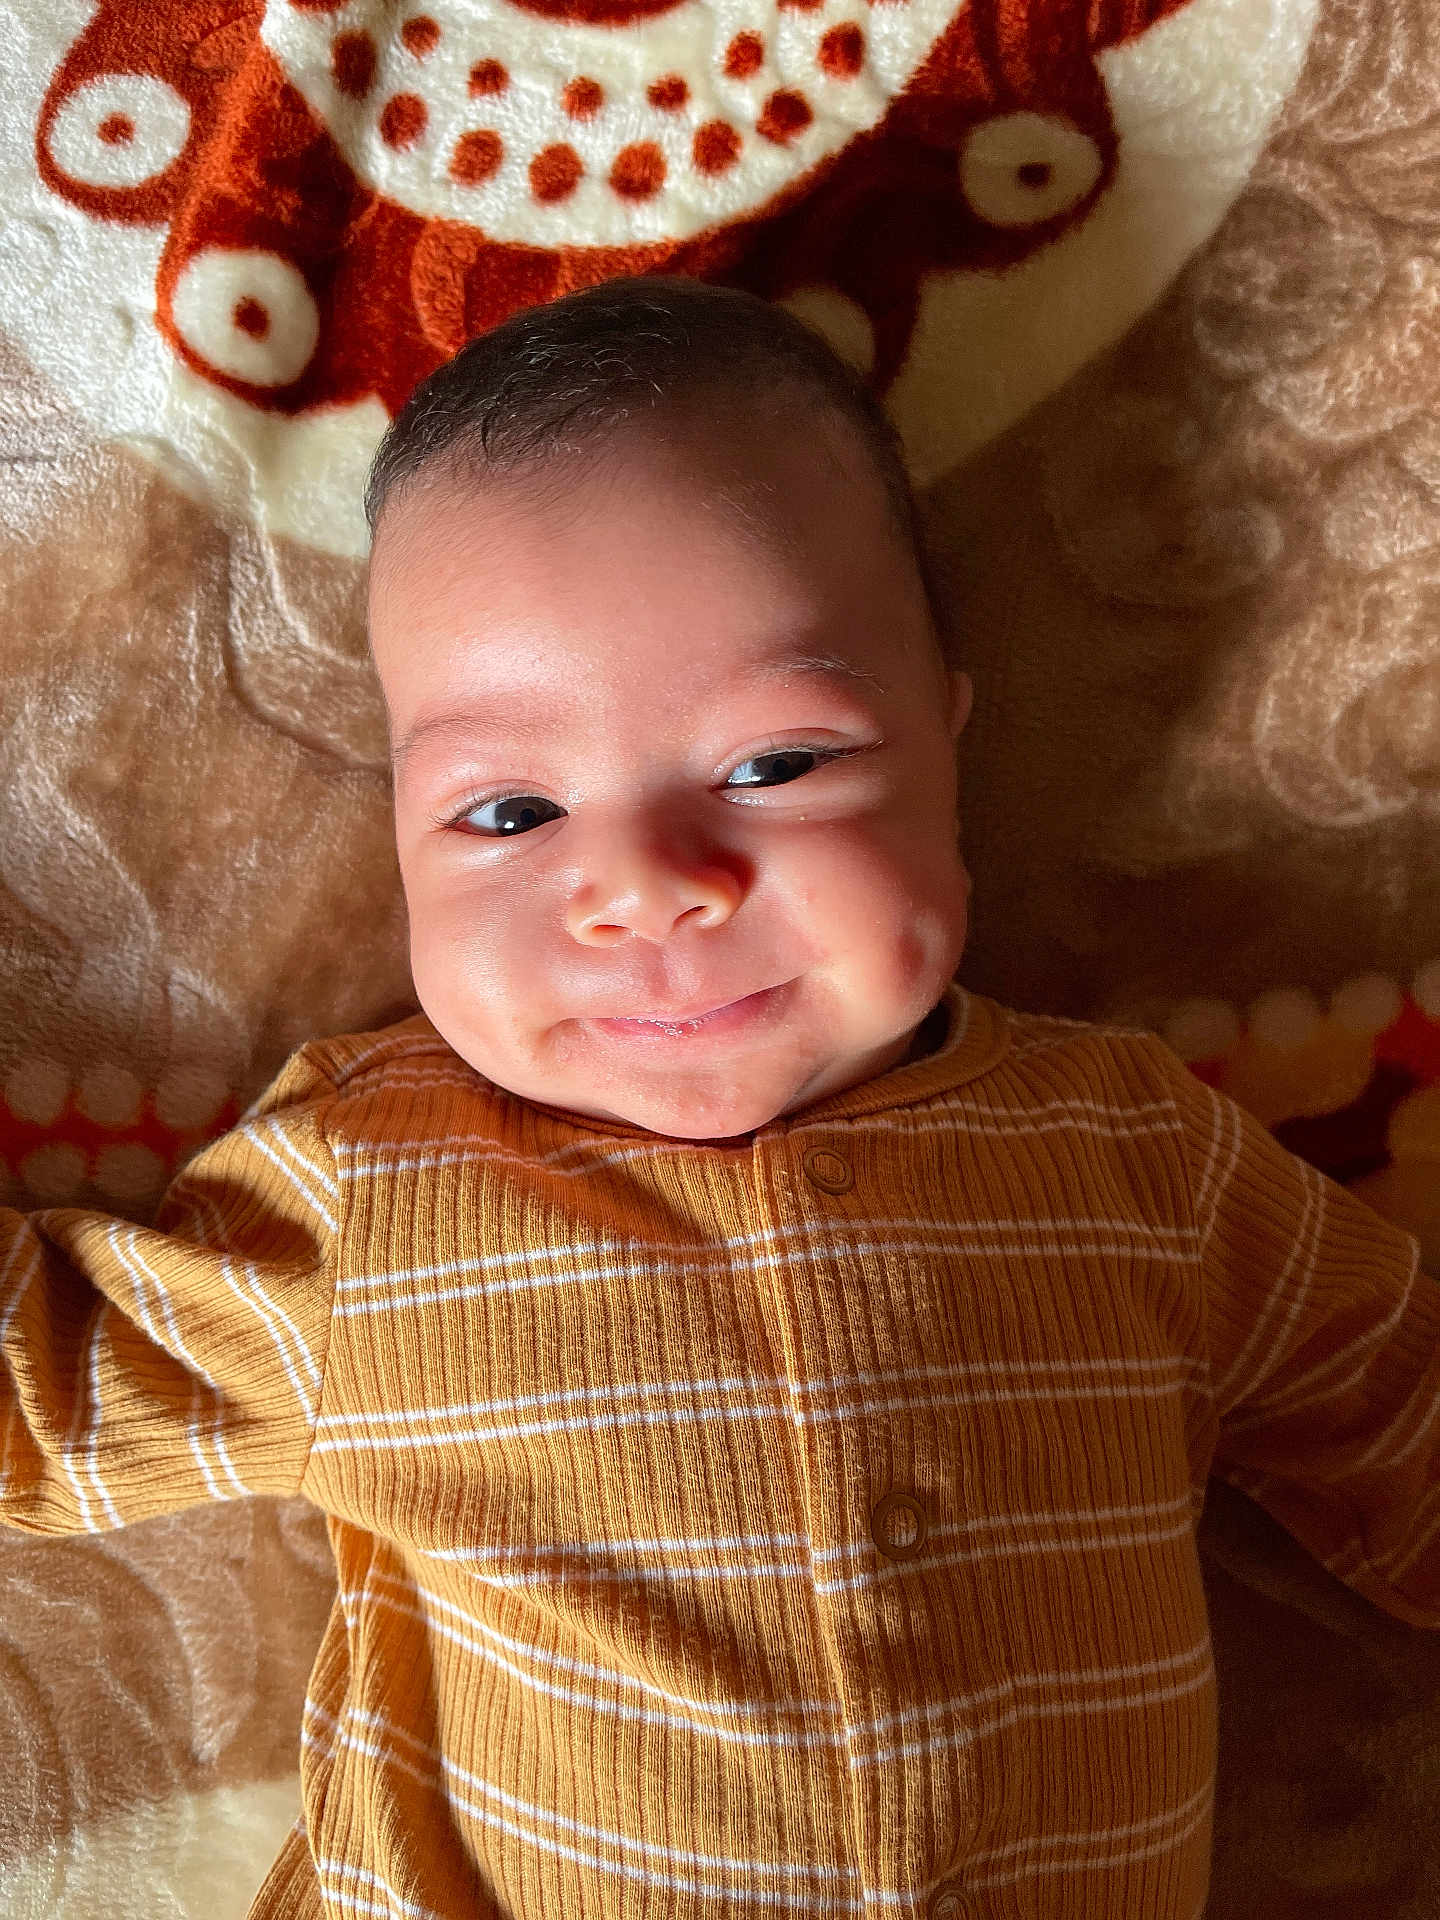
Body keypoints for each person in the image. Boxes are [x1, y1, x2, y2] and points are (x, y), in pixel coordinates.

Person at [2, 275, 1435, 1920]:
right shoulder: (369, 1194)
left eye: (776, 763)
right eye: (511, 809)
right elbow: (52, 1384)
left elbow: (1392, 1408)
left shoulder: (1140, 1155)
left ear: (949, 742)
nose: (649, 887)